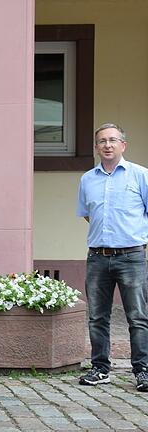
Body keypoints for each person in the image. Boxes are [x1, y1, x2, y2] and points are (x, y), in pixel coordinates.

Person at [76, 123, 148, 392]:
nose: (107, 145)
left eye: (113, 140)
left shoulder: (140, 176)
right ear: (96, 147)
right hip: (97, 258)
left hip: (132, 257)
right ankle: (100, 368)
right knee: (97, 317)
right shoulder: (87, 179)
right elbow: (87, 213)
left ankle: (142, 371)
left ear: (123, 145)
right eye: (102, 141)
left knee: (138, 317)